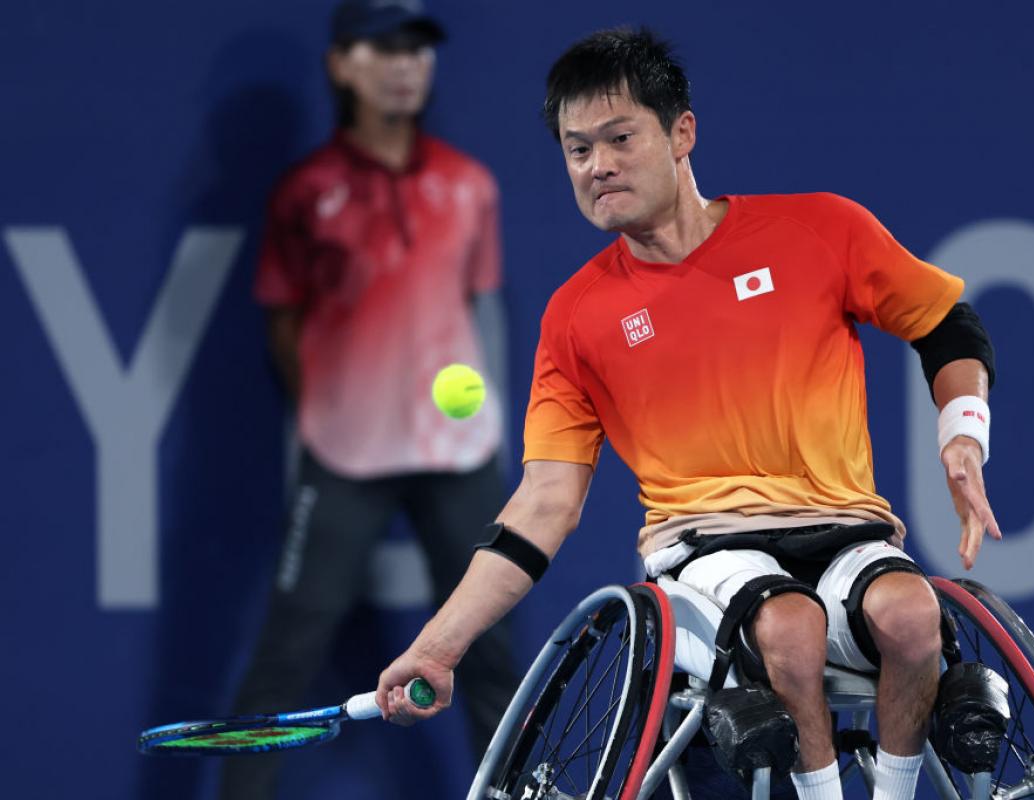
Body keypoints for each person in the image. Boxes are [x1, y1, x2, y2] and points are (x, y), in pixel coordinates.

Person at [374, 27, 1001, 800]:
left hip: (845, 527)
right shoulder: (576, 317)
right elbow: (543, 503)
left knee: (913, 617)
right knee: (790, 628)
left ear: (682, 133)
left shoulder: (822, 230)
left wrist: (962, 436)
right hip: (701, 549)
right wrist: (438, 647)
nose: (597, 165)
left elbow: (946, 326)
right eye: (576, 150)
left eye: (619, 138)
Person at [219, 1, 517, 797]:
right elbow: (283, 324)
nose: (405, 65)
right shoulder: (304, 192)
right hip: (345, 459)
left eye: (417, 49)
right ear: (341, 65)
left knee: (492, 653)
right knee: (287, 652)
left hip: (458, 457)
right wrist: (340, 408)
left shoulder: (470, 185)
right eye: (383, 48)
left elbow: (472, 308)